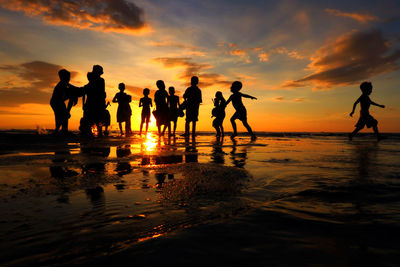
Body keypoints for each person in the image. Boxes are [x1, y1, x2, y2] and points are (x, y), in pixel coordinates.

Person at [50, 69, 79, 135]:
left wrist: (75, 96)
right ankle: (57, 131)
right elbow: (74, 89)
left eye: (69, 77)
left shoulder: (65, 83)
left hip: (60, 101)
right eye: (67, 77)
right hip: (56, 102)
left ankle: (63, 130)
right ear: (62, 77)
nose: (69, 79)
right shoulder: (62, 84)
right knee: (60, 116)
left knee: (63, 116)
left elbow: (73, 89)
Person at [82, 65, 107, 137]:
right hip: (96, 103)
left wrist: (83, 104)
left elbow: (85, 92)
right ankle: (98, 135)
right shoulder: (101, 80)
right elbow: (102, 92)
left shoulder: (91, 80)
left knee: (89, 121)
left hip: (90, 103)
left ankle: (90, 135)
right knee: (97, 120)